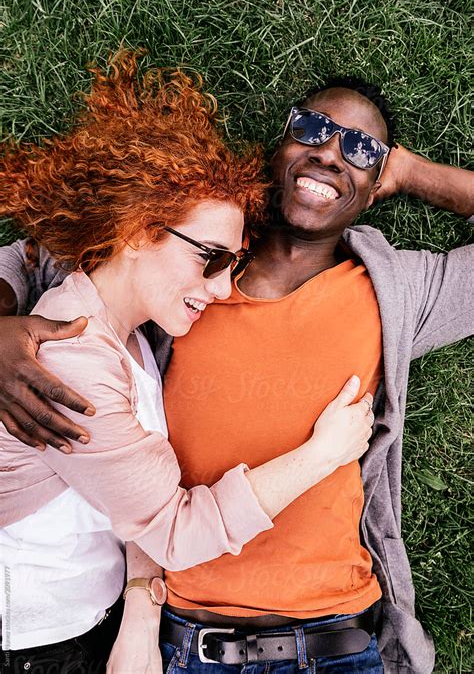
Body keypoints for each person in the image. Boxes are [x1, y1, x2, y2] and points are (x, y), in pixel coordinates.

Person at [0, 77, 472, 674]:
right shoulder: (183, 269)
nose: (330, 153)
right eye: (314, 130)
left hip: (338, 641)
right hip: (189, 643)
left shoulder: (396, 292)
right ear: (273, 153)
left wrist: (408, 172)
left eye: (360, 149)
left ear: (376, 185)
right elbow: (32, 255)